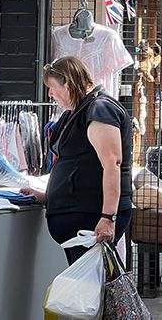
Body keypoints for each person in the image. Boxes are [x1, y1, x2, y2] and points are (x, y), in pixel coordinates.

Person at [22, 56, 134, 265]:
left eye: (52, 87)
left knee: (90, 288)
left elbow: (112, 163)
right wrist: (48, 197)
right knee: (85, 288)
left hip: (92, 215)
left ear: (68, 83)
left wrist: (108, 217)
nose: (50, 93)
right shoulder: (75, 113)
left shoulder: (100, 109)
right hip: (78, 214)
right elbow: (76, 164)